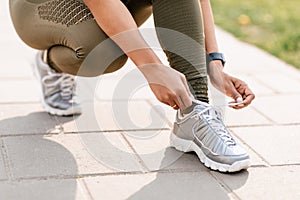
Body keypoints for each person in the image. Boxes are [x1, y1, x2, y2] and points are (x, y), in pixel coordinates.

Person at [9, 0, 255, 172]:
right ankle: (50, 64)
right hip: (38, 5)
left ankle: (195, 113)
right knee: (103, 51)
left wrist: (213, 62)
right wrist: (152, 68)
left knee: (112, 44)